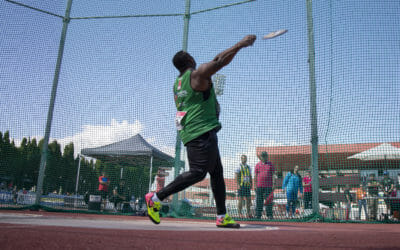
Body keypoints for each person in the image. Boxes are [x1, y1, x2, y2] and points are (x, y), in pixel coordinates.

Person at [145, 35, 257, 228]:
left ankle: (222, 216)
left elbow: (215, 61)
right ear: (189, 60)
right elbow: (219, 62)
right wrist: (241, 44)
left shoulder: (178, 84)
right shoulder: (196, 75)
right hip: (202, 132)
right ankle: (156, 197)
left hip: (192, 131)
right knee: (198, 172)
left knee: (216, 173)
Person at [254, 151, 275, 219]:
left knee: (269, 201)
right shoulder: (257, 165)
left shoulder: (270, 164)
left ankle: (269, 215)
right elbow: (255, 175)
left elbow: (273, 175)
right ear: (260, 157)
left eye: (265, 156)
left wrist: (274, 184)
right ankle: (258, 214)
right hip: (259, 186)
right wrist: (254, 185)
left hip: (268, 186)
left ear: (267, 156)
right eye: (262, 156)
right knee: (259, 200)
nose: (264, 157)